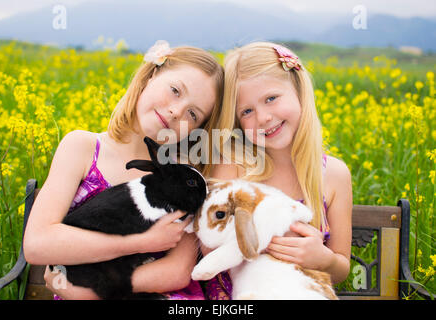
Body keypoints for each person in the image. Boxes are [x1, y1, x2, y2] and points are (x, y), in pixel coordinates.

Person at [23, 40, 224, 300]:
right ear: (151, 76)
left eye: (193, 114)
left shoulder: (184, 178)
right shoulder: (82, 148)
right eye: (175, 90)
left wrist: (85, 292)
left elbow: (176, 272)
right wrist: (140, 243)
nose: (176, 111)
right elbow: (38, 244)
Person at [204, 41, 352, 299]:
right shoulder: (235, 169)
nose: (263, 118)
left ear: (298, 90)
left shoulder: (334, 175)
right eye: (247, 111)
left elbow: (341, 268)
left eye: (271, 99)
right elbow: (209, 248)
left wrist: (323, 259)